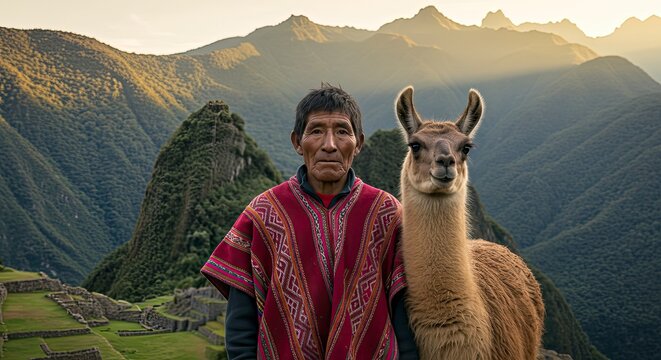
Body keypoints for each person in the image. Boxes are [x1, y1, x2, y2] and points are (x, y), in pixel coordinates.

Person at [201, 84, 418, 359]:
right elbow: (241, 321)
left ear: (359, 143)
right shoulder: (264, 214)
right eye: (316, 131)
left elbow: (403, 311)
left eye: (342, 131)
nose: (329, 144)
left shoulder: (386, 214)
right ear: (297, 142)